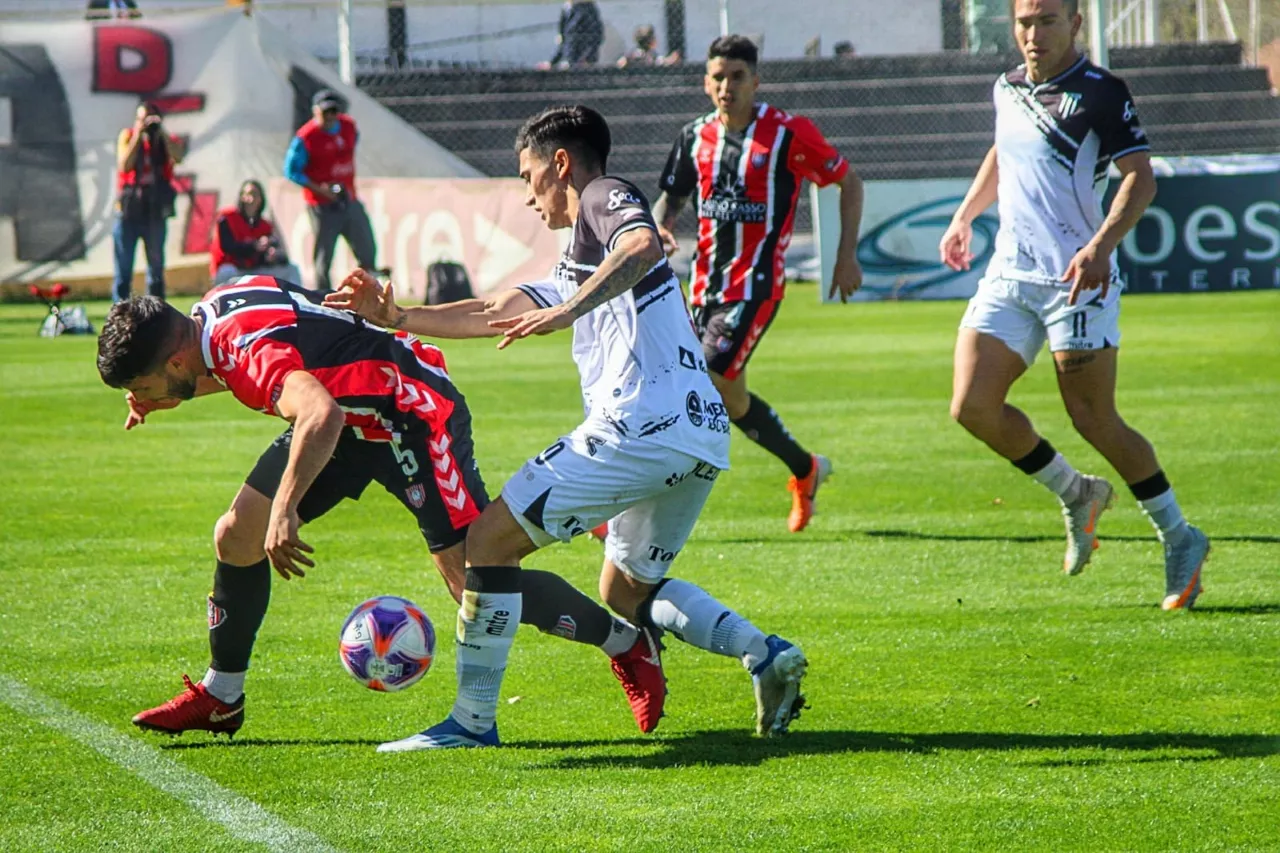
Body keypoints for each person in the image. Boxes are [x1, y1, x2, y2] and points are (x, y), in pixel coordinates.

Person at [325, 105, 809, 750]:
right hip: (697, 435)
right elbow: (495, 310)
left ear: (560, 165)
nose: (527, 196)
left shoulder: (604, 198)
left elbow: (640, 244)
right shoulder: (577, 259)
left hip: (641, 424)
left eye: (529, 177)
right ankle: (764, 653)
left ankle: (470, 723)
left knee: (487, 544)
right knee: (624, 590)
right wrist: (400, 315)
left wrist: (570, 312)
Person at [97, 279, 665, 739]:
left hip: (410, 412)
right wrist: (167, 395)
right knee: (236, 535)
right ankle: (222, 697)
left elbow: (316, 414)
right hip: (350, 416)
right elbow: (293, 354)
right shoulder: (214, 310)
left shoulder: (249, 355)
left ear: (174, 361)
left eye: (144, 384)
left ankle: (627, 643)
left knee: (474, 580)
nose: (144, 394)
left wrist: (286, 509)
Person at [939, 0, 1209, 609]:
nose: (1033, 34)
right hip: (1010, 273)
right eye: (1025, 22)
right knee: (971, 406)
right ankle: (1077, 491)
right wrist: (964, 215)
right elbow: (1003, 153)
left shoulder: (1101, 92)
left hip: (1077, 279)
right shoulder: (1006, 88)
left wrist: (1099, 247)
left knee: (1094, 419)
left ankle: (1180, 536)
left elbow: (1141, 178)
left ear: (1075, 25)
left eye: (1048, 21)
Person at [651, 34, 865, 533]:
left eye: (737, 77)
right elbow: (671, 201)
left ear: (755, 81)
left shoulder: (787, 134)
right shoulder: (694, 136)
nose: (727, 87)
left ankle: (628, 503)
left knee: (697, 381)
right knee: (730, 398)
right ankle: (805, 468)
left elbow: (848, 182)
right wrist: (659, 229)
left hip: (754, 287)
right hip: (701, 288)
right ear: (706, 83)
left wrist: (845, 254)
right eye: (718, 78)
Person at [283, 90, 378, 291]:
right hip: (322, 205)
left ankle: (367, 294)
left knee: (367, 249)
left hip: (349, 199)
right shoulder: (306, 138)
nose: (330, 117)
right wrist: (320, 189)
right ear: (315, 112)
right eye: (325, 112)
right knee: (324, 258)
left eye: (334, 111)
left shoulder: (349, 127)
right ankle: (323, 298)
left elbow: (353, 144)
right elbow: (291, 171)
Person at [113, 102, 184, 302]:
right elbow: (124, 165)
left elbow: (178, 156)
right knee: (123, 269)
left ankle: (156, 314)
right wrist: (138, 134)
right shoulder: (127, 136)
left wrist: (160, 132)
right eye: (142, 118)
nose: (147, 123)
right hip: (128, 211)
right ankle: (120, 313)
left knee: (156, 267)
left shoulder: (165, 140)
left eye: (151, 118)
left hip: (155, 211)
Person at [209, 179, 301, 285]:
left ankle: (296, 300)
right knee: (226, 272)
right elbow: (227, 247)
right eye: (248, 194)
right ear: (241, 197)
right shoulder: (227, 218)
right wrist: (254, 246)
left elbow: (275, 255)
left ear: (261, 199)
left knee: (292, 270)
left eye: (256, 194)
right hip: (234, 270)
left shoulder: (265, 226)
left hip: (254, 270)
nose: (251, 199)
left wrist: (272, 256)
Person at [545, 0, 603, 68]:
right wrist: (552, 62)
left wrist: (587, 58)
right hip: (571, 61)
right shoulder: (567, 9)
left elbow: (596, 37)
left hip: (583, 64)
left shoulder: (588, 9)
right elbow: (564, 40)